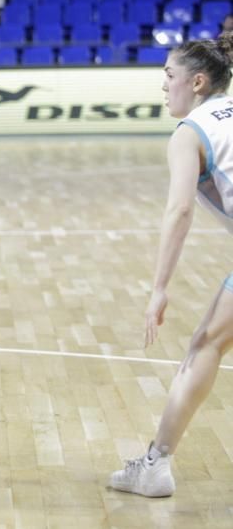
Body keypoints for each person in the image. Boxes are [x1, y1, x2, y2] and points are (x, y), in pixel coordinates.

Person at [108, 32, 233, 498]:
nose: (164, 87)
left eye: (169, 76)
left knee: (205, 347)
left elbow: (179, 210)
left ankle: (155, 466)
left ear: (197, 82)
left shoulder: (191, 131)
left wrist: (159, 288)